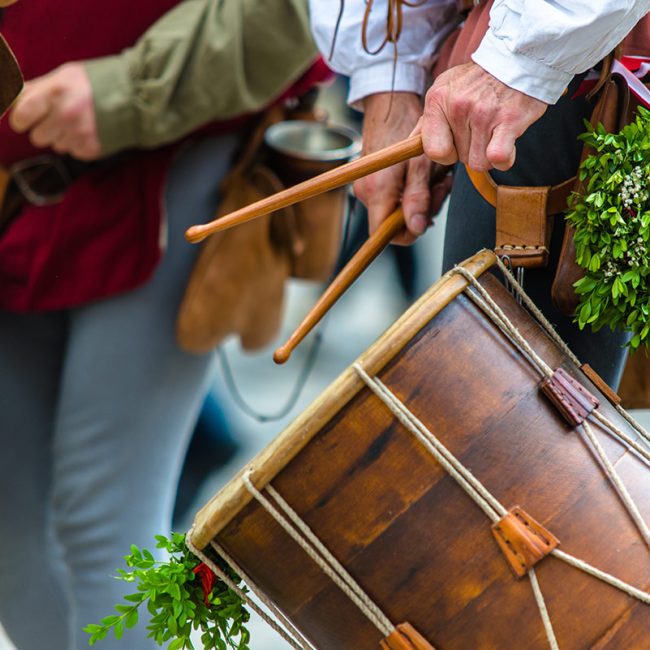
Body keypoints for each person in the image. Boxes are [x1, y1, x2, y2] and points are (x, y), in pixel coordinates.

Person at [0, 1, 323, 649]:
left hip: (177, 151)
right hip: (15, 188)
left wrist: (125, 92)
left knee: (112, 527)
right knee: (11, 526)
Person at [310, 0, 650, 388]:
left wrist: (519, 61)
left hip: (564, 65)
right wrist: (389, 82)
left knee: (520, 425)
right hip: (506, 55)